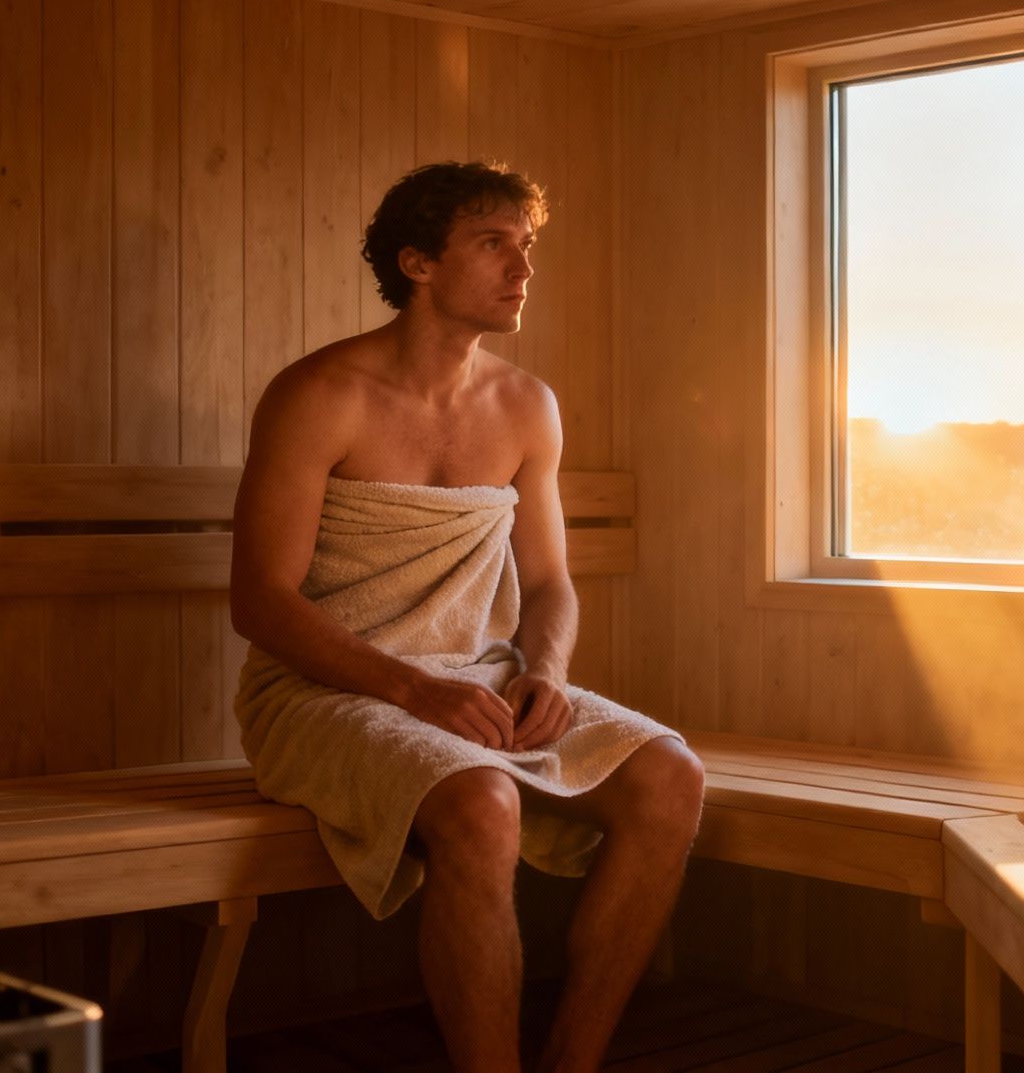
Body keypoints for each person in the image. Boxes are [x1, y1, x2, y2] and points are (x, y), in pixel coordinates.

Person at [229, 160, 705, 1073]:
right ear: (417, 262)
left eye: (525, 248)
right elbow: (261, 603)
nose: (522, 270)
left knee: (671, 776)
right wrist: (412, 689)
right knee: (484, 803)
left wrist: (547, 674)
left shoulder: (527, 406)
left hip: (477, 680)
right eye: (493, 245)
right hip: (323, 692)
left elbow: (553, 583)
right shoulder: (321, 395)